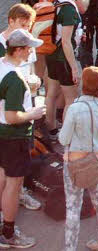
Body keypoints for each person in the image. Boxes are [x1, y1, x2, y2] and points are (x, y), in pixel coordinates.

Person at [59, 66, 98, 250]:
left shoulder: (75, 108)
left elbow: (63, 139)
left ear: (84, 84)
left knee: (73, 209)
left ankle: (70, 248)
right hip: (97, 163)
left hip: (74, 164)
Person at [0, 30, 47, 249]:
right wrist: (33, 114)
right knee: (13, 184)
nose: (31, 51)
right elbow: (12, 116)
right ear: (18, 50)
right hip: (14, 137)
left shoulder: (3, 66)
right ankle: (8, 234)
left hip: (2, 135)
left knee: (2, 177)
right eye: (28, 48)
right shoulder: (15, 79)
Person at [43, 0, 89, 131]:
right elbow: (66, 42)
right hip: (63, 58)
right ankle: (66, 137)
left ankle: (51, 129)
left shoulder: (58, 0)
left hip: (52, 54)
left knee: (51, 93)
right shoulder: (69, 10)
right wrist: (74, 68)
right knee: (71, 97)